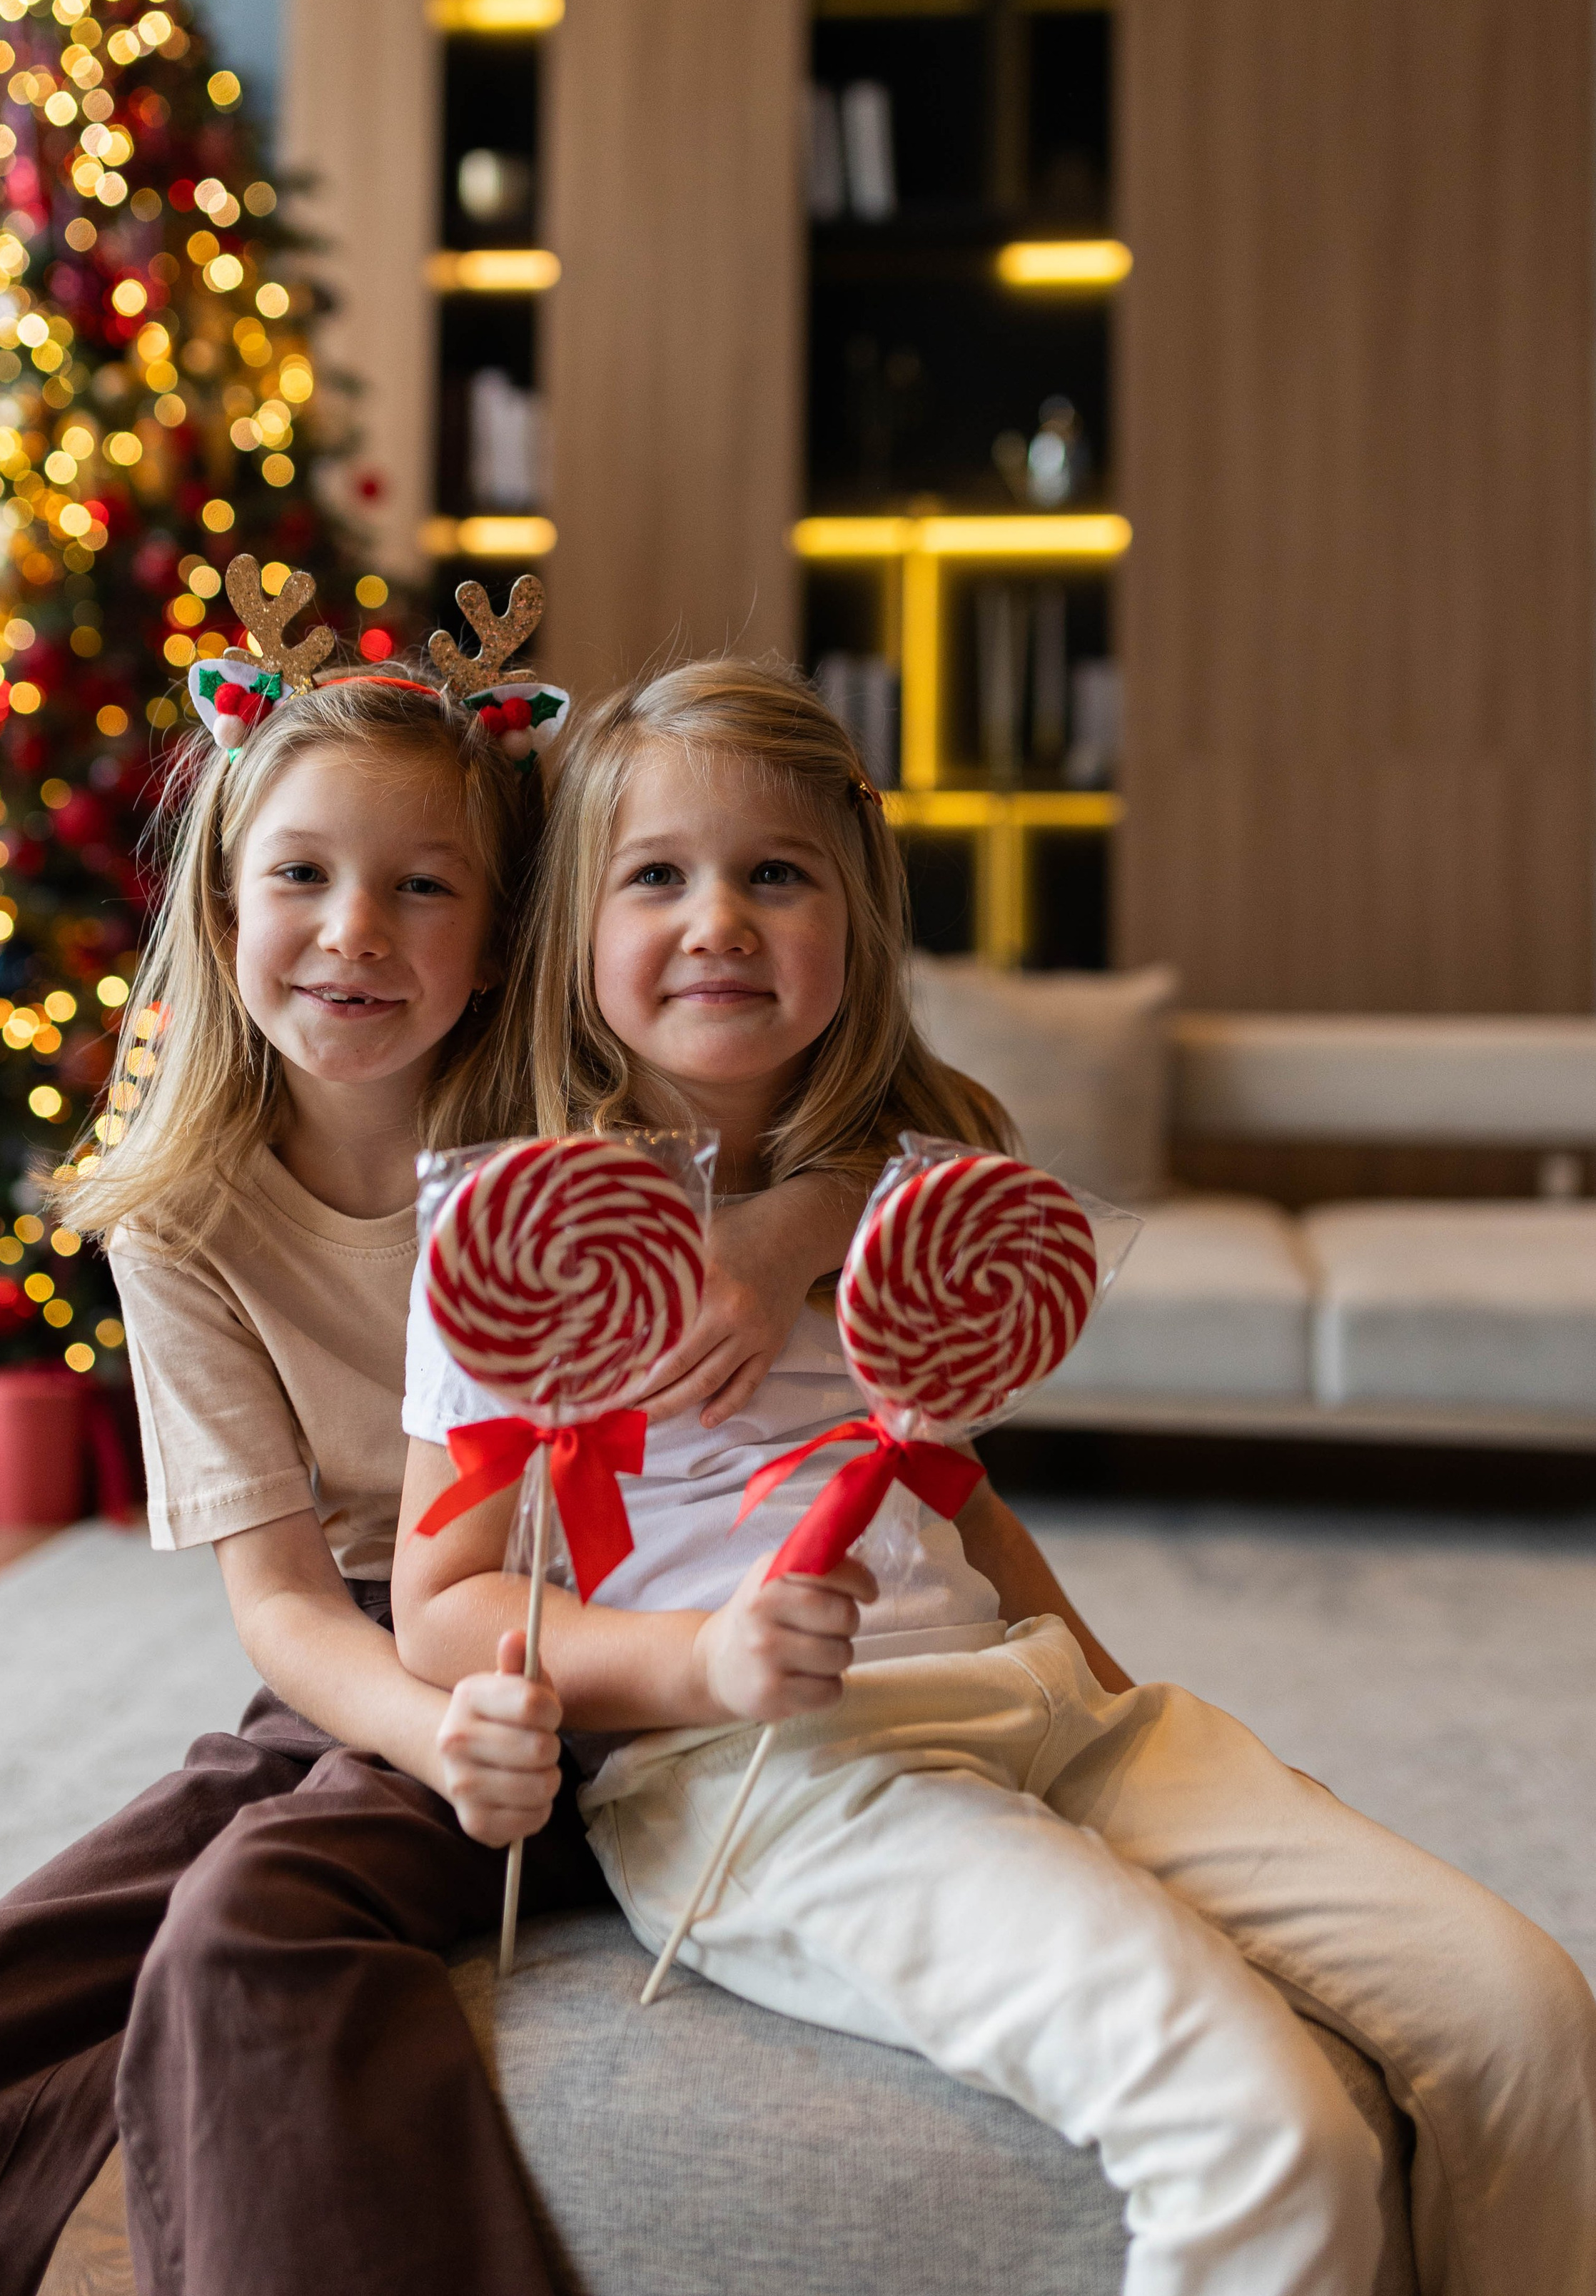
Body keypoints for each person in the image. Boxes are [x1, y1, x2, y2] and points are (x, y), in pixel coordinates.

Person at [393, 657, 1596, 2296]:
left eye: (776, 873)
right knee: (1266, 2136)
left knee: (1523, 2013)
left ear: (859, 917)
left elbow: (946, 1498)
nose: (720, 919)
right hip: (773, 1768)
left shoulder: (917, 1190)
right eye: (654, 874)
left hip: (1040, 1710)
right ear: (568, 932)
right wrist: (696, 1659)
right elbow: (442, 1602)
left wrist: (1106, 1695)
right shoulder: (518, 1233)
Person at [0, 648, 861, 2296]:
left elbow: (887, 1139)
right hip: (364, 1659)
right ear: (219, 913)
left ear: (498, 942)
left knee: (253, 1922)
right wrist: (429, 1730)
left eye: (420, 886)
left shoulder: (583, 1115)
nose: (353, 930)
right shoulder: (179, 1212)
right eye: (299, 875)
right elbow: (280, 1598)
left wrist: (774, 1239)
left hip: (577, 1620)